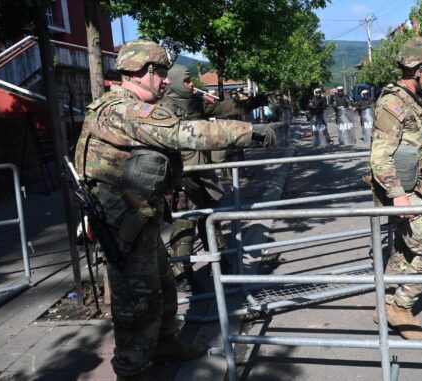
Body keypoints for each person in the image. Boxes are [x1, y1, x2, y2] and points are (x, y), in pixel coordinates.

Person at [73, 40, 276, 380]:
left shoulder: (119, 106)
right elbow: (184, 133)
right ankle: (131, 367)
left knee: (162, 285)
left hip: (139, 216)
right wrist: (250, 132)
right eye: (161, 74)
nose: (166, 81)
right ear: (142, 73)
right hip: (125, 222)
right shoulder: (125, 110)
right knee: (136, 298)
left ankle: (164, 343)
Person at [369, 36, 422, 340]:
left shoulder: (414, 101)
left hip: (417, 188)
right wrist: (398, 196)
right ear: (417, 70)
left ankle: (384, 305)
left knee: (402, 251)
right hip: (403, 192)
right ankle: (400, 307)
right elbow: (379, 155)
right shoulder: (393, 103)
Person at [158, 64, 229, 292]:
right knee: (184, 227)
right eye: (187, 81)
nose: (191, 85)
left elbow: (221, 110)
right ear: (175, 82)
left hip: (203, 175)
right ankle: (181, 274)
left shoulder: (194, 103)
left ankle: (221, 262)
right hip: (182, 179)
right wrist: (176, 177)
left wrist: (251, 103)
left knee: (210, 218)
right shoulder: (162, 110)